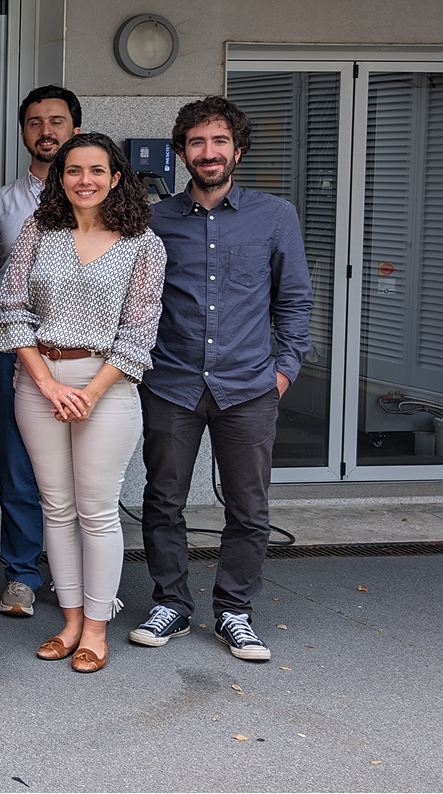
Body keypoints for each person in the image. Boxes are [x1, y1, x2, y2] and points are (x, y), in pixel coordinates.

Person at [129, 97, 312, 662]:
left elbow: (295, 301)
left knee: (249, 507)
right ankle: (173, 604)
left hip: (250, 386)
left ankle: (234, 611)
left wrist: (284, 372)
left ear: (238, 148)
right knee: (162, 499)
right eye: (197, 143)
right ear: (181, 151)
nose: (208, 153)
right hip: (172, 383)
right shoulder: (153, 221)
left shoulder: (276, 215)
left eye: (219, 142)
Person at [0, 132, 165, 674]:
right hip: (39, 378)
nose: (83, 180)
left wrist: (89, 392)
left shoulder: (143, 243)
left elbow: (139, 333)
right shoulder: (37, 232)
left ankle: (96, 626)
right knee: (56, 507)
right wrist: (47, 385)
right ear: (59, 178)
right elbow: (10, 309)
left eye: (95, 170)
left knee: (96, 510)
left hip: (106, 385)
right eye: (73, 171)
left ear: (116, 177)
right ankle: (69, 620)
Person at [0, 85, 83, 618]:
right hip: (16, 352)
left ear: (75, 128)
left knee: (82, 465)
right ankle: (22, 573)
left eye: (57, 121)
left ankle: (84, 576)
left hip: (87, 353)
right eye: (34, 123)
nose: (46, 131)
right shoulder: (1, 205)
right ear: (23, 132)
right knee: (19, 465)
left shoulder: (109, 203)